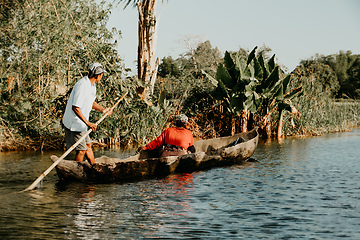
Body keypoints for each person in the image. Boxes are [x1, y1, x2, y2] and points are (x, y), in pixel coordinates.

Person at [62, 62, 112, 164]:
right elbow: (76, 107)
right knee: (81, 150)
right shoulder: (82, 85)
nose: (101, 77)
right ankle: (76, 171)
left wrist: (103, 110)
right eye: (101, 75)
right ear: (97, 75)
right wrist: (88, 123)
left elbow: (91, 102)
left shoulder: (92, 86)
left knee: (88, 146)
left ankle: (94, 167)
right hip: (75, 123)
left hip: (82, 123)